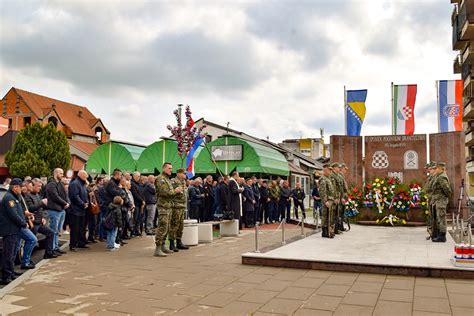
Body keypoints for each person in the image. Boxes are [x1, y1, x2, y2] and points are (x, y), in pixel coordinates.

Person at [0, 178, 27, 285]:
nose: (22, 189)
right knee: (8, 253)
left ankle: (10, 272)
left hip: (14, 229)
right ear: (15, 187)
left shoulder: (15, 197)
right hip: (10, 230)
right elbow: (13, 215)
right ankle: (6, 276)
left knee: (13, 253)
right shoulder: (9, 198)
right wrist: (23, 223)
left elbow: (18, 212)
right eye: (21, 187)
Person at [154, 162, 182, 257]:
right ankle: (157, 248)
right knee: (162, 226)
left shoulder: (167, 179)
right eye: (169, 168)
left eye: (171, 168)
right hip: (163, 207)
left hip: (169, 206)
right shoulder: (160, 179)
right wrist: (175, 191)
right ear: (164, 168)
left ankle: (162, 246)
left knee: (167, 227)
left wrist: (176, 192)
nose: (171, 170)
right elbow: (164, 192)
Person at [24, 178, 56, 259]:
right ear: (33, 186)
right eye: (38, 186)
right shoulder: (28, 196)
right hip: (33, 223)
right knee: (31, 241)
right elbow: (31, 208)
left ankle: (48, 253)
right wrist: (42, 203)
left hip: (39, 222)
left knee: (50, 233)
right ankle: (27, 259)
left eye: (41, 186)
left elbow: (40, 209)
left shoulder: (38, 195)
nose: (40, 188)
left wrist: (42, 217)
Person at [45, 168, 69, 254]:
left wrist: (67, 202)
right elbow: (55, 196)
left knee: (57, 231)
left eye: (62, 173)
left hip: (61, 209)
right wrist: (65, 203)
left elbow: (65, 194)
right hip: (54, 210)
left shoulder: (60, 184)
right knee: (53, 230)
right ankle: (52, 248)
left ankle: (55, 247)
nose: (62, 175)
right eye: (61, 173)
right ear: (56, 174)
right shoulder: (51, 184)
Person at [429, 162, 453, 243]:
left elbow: (447, 189)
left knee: (441, 217)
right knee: (438, 217)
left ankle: (442, 236)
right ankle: (439, 234)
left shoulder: (442, 177)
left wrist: (444, 197)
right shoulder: (439, 176)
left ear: (440, 168)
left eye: (437, 168)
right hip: (438, 200)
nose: (436, 169)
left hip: (441, 200)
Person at [68, 170, 90, 251]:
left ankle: (81, 242)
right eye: (85, 176)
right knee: (75, 228)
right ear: (81, 175)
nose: (86, 178)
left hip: (82, 210)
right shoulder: (75, 184)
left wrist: (86, 202)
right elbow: (75, 196)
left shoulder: (82, 184)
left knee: (82, 228)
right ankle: (73, 245)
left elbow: (84, 194)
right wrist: (82, 204)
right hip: (75, 210)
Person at [169, 168, 189, 251]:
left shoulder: (183, 182)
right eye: (184, 173)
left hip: (182, 206)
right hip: (175, 206)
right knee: (174, 225)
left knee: (180, 226)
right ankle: (171, 243)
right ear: (178, 173)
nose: (185, 175)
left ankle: (179, 242)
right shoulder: (173, 181)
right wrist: (175, 191)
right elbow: (170, 192)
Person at [319, 164, 335, 238]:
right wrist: (325, 201)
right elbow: (322, 192)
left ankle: (329, 231)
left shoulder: (328, 178)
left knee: (329, 216)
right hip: (327, 201)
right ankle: (325, 232)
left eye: (331, 170)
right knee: (325, 216)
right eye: (329, 169)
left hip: (330, 200)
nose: (331, 171)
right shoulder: (323, 179)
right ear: (325, 170)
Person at [423, 161, 437, 240]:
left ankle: (435, 234)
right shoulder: (431, 177)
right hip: (431, 199)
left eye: (429, 169)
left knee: (435, 217)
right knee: (431, 217)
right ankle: (432, 233)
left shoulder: (436, 177)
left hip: (434, 199)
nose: (428, 170)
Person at [329, 163, 344, 234]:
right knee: (333, 214)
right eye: (338, 167)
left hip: (338, 197)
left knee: (337, 214)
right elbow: (333, 188)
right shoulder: (332, 176)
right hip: (335, 198)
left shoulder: (337, 176)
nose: (339, 169)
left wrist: (340, 197)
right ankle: (333, 230)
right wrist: (335, 198)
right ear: (334, 168)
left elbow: (340, 188)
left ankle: (336, 229)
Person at [130, 172, 145, 236]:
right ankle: (133, 231)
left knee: (139, 218)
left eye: (139, 176)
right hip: (136, 203)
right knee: (135, 218)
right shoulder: (132, 184)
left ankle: (137, 230)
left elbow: (142, 193)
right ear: (134, 176)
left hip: (140, 203)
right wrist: (142, 200)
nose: (139, 178)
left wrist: (143, 200)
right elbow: (135, 194)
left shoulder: (139, 184)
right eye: (138, 176)